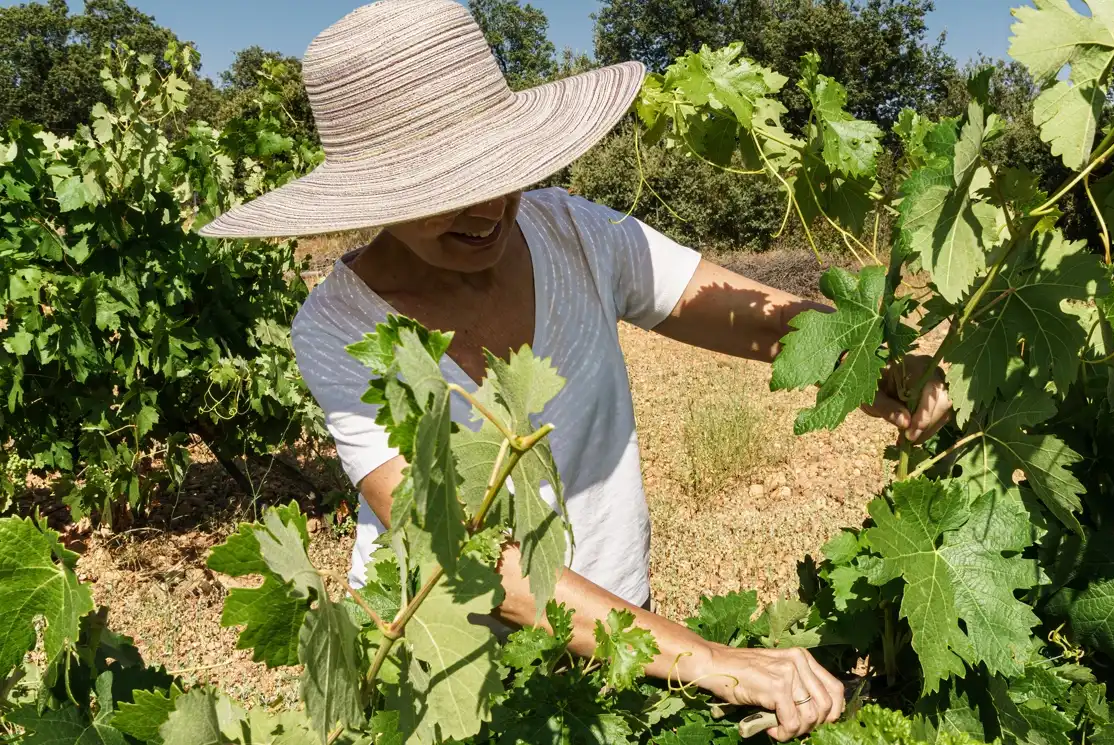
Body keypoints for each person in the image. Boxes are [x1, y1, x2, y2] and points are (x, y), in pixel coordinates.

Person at [200, 0, 951, 739]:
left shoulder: (571, 230)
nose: (490, 205)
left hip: (622, 647)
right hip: (442, 678)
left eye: (501, 168)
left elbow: (738, 310)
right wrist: (718, 661)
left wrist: (871, 357)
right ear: (374, 195)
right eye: (442, 191)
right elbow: (463, 553)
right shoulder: (338, 325)